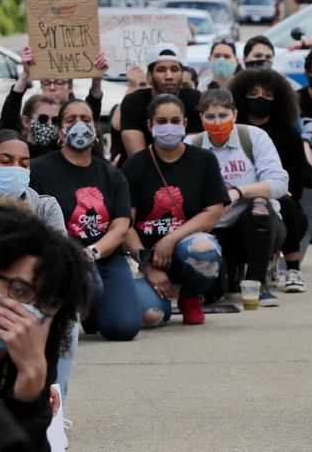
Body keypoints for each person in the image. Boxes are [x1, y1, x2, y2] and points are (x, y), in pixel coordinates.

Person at [30, 100, 140, 342]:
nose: (79, 125)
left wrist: (92, 252)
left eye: (86, 119)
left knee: (124, 328)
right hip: (61, 258)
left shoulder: (113, 174)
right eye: (71, 120)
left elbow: (120, 226)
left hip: (103, 256)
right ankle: (75, 310)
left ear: (95, 129)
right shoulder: (38, 170)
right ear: (60, 131)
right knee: (90, 283)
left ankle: (92, 313)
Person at [121, 94, 228, 326]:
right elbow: (124, 223)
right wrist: (147, 267)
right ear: (150, 125)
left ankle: (190, 296)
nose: (168, 127)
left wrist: (170, 240)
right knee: (151, 317)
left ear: (185, 124)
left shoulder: (204, 160)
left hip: (186, 248)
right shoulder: (135, 165)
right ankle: (159, 301)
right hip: (146, 257)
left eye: (175, 120)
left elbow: (214, 211)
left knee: (205, 249)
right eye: (161, 121)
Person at [0, 203, 90, 452]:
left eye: (45, 303)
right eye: (19, 291)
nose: (28, 314)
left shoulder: (32, 346)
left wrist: (30, 390)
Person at [186, 89, 289, 305]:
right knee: (211, 295)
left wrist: (237, 192)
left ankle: (258, 283)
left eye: (223, 116)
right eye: (210, 117)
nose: (217, 122)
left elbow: (279, 182)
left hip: (257, 228)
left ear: (234, 115)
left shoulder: (253, 137)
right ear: (200, 118)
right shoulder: (191, 145)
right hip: (213, 232)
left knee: (260, 206)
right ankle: (228, 273)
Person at [228, 68, 310, 295]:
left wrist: (269, 191)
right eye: (253, 93)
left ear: (279, 98)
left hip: (282, 204)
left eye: (267, 94)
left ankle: (293, 268)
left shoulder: (289, 133)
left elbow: (296, 183)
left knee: (285, 200)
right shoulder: (233, 130)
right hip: (238, 202)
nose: (259, 99)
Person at [120, 43, 203, 162]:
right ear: (149, 75)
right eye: (161, 70)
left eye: (174, 70)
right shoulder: (133, 102)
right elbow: (137, 160)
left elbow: (195, 155)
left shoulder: (194, 99)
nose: (169, 76)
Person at [0, 46, 108, 133]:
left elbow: (93, 105)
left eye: (59, 82)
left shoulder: (78, 118)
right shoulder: (30, 117)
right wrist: (26, 73)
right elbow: (8, 121)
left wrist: (97, 79)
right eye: (46, 82)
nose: (52, 87)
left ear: (70, 87)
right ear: (27, 121)